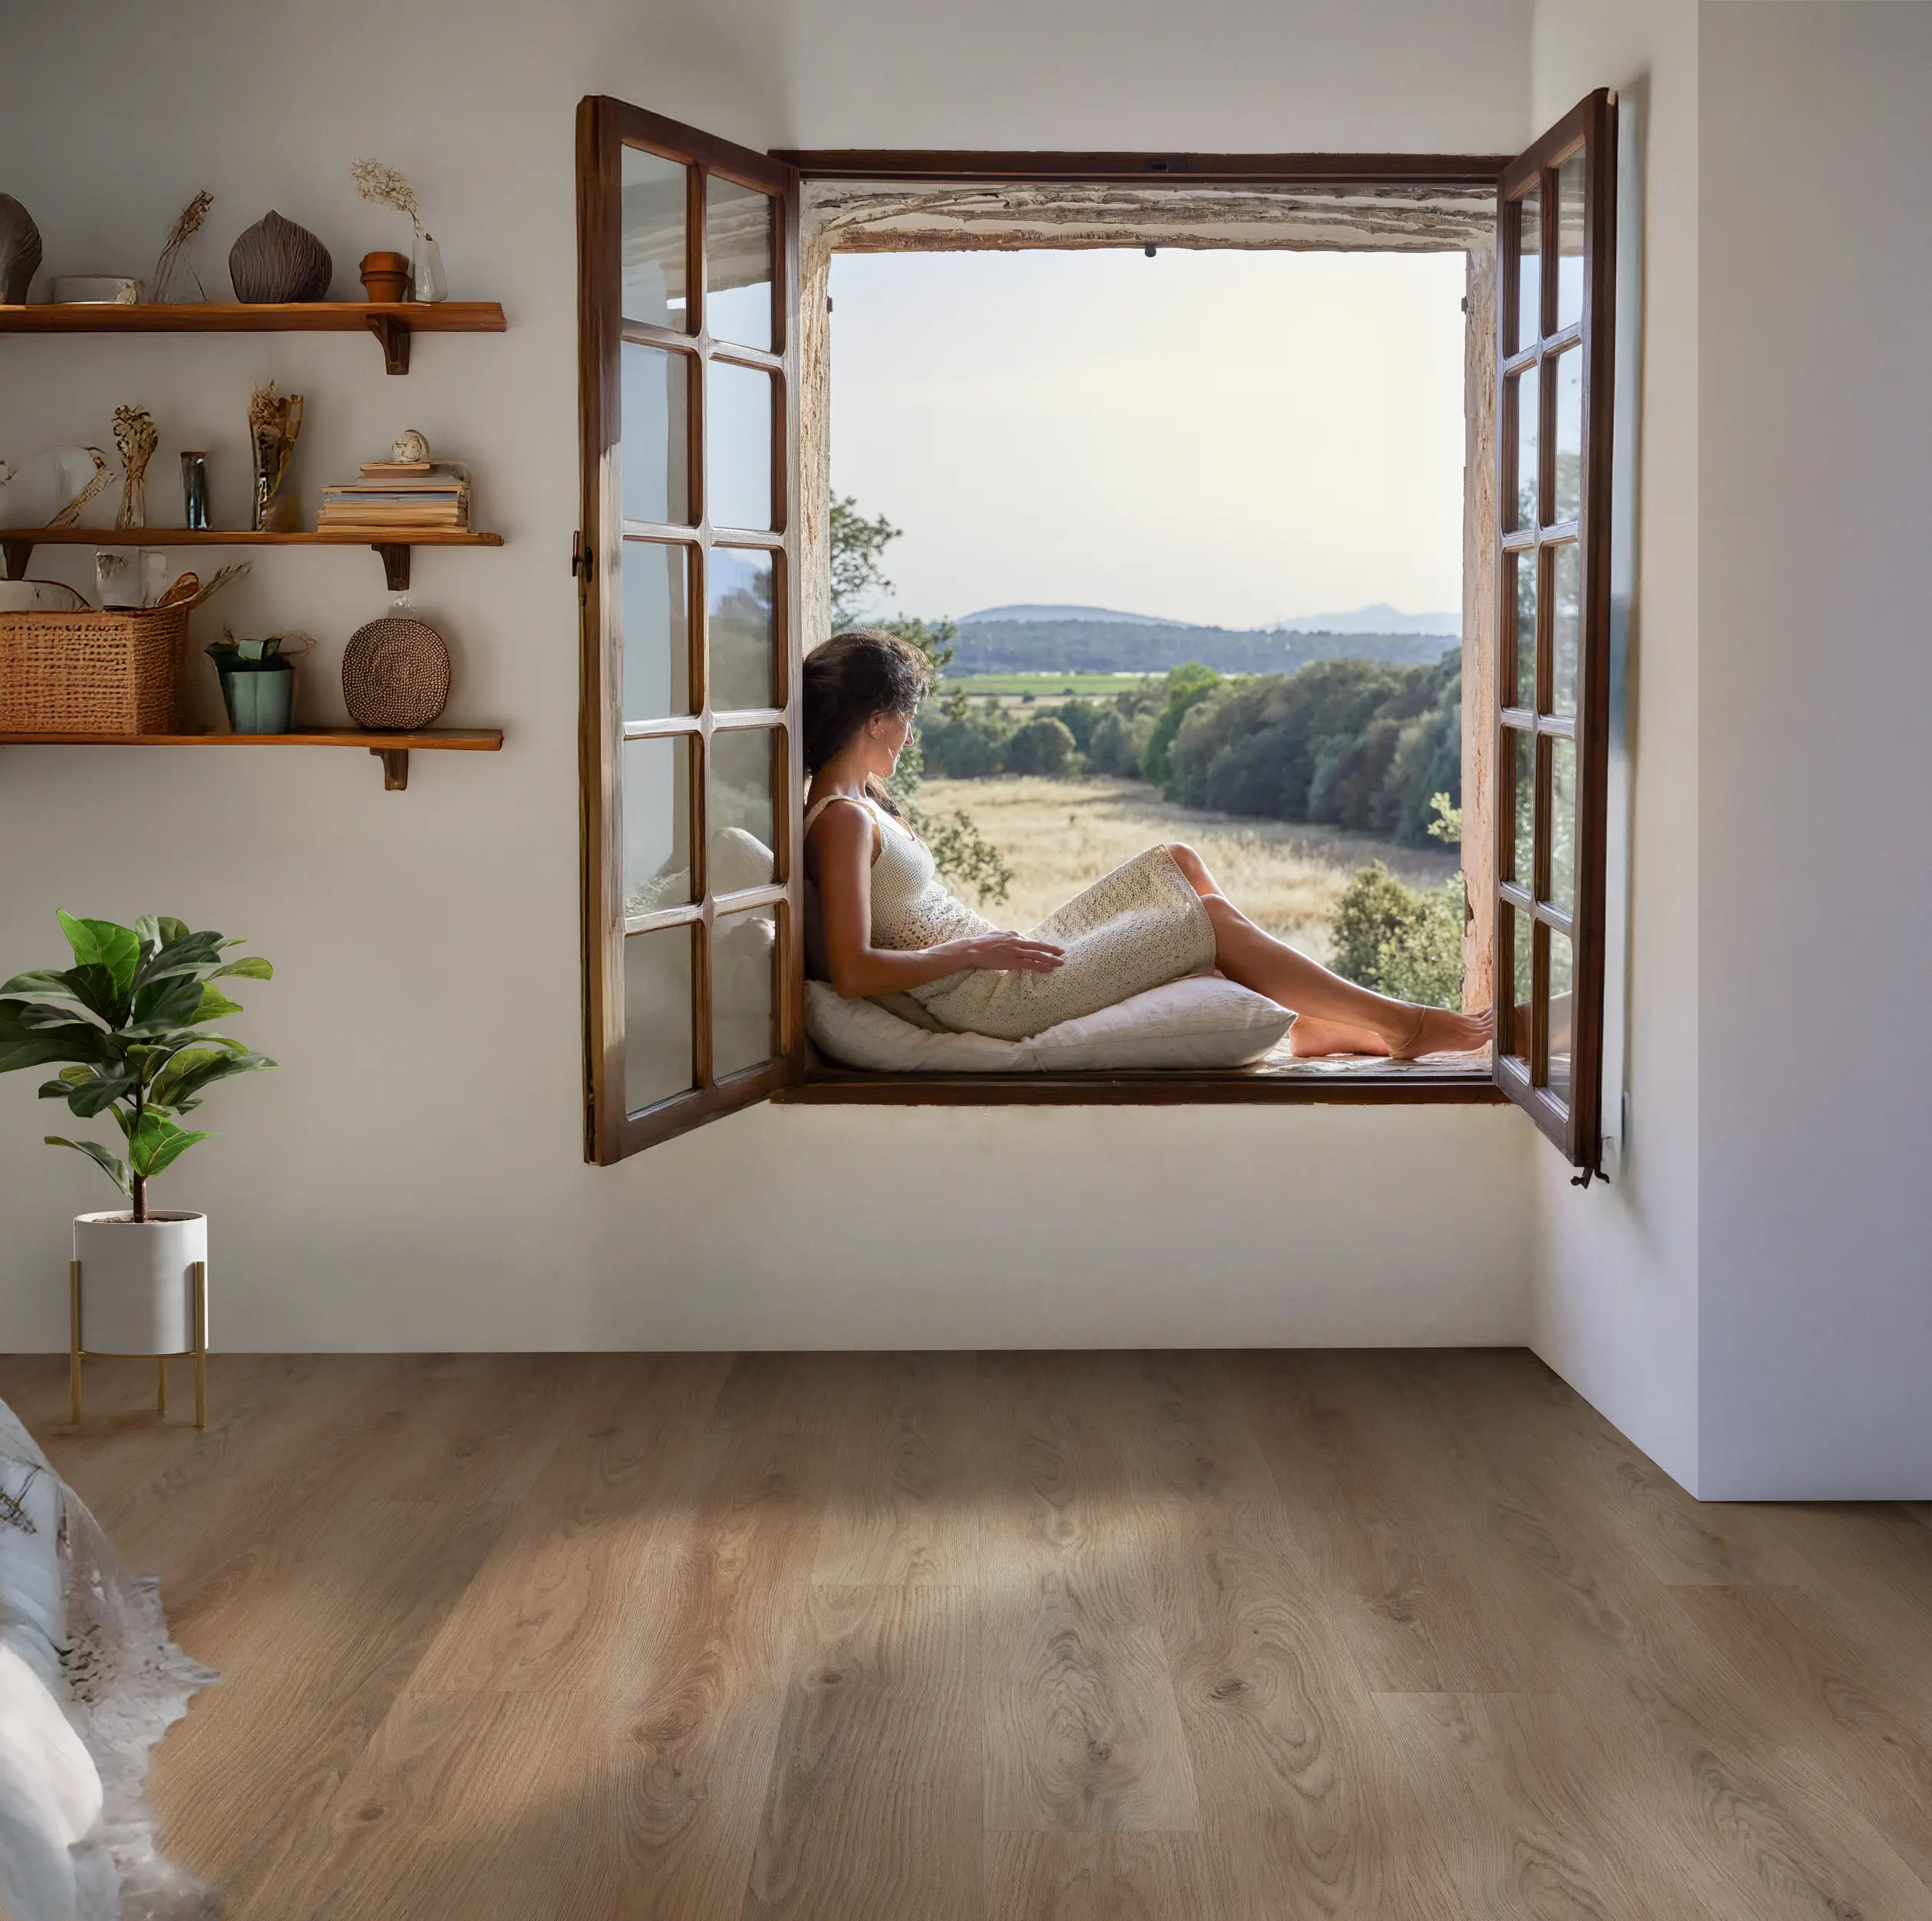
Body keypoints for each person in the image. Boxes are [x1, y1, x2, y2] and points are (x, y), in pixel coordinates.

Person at [803, 629, 1493, 1060]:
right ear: (874, 720)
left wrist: (988, 947)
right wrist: (977, 951)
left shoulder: (865, 801)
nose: (910, 737)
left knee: (1177, 863)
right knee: (1211, 922)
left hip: (999, 962)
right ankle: (1405, 1025)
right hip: (991, 996)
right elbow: (855, 972)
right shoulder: (841, 821)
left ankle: (1313, 1019)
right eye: (907, 720)